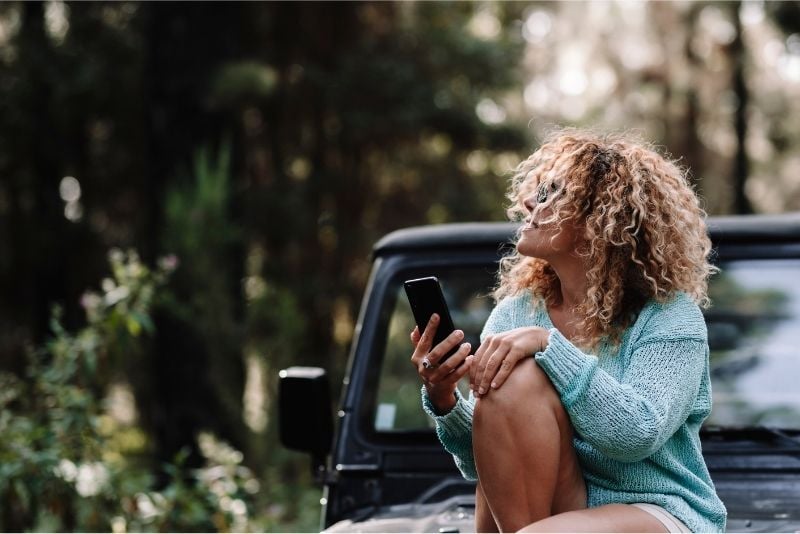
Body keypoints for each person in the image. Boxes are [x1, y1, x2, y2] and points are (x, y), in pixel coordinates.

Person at [409, 130, 727, 533]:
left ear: (600, 219)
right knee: (516, 375)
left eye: (549, 193)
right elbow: (485, 466)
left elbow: (636, 435)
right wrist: (444, 399)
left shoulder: (668, 316)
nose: (528, 202)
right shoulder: (517, 313)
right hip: (551, 509)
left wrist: (548, 346)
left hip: (654, 508)